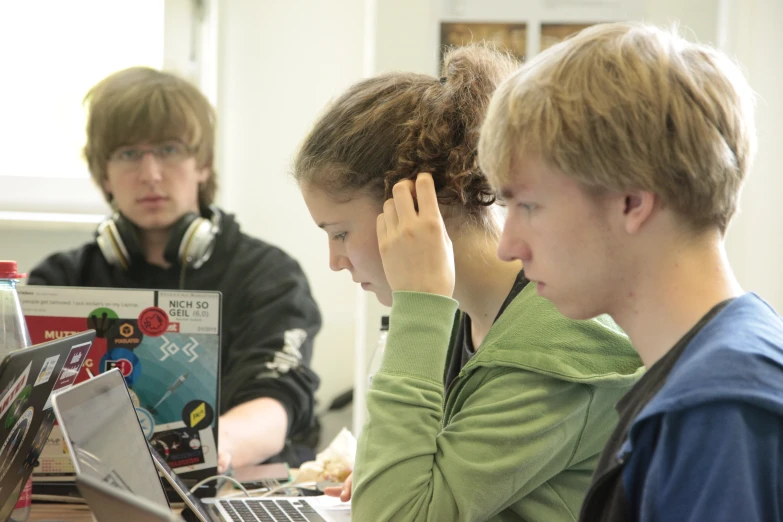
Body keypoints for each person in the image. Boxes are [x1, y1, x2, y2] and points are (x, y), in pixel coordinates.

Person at [294, 44, 644, 521]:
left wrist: (419, 305)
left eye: (340, 233)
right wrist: (394, 474)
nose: (335, 261)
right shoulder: (470, 316)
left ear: (416, 208)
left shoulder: (555, 345)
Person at [479, 21, 783, 522]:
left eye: (529, 206)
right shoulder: (705, 376)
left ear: (631, 202)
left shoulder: (717, 409)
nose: (508, 247)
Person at [28, 67, 322, 471]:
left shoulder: (268, 275)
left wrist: (197, 454)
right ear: (103, 174)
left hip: (229, 484)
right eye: (129, 154)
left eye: (169, 149)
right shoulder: (57, 282)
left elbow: (276, 401)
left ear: (202, 164)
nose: (150, 174)